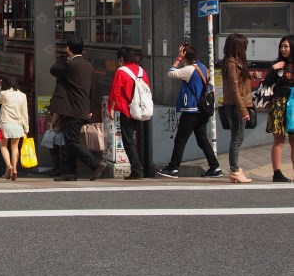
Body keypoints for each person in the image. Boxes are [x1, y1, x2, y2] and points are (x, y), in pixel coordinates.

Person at [158, 44, 222, 179]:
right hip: (203, 110)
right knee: (202, 139)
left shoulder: (189, 70)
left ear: (184, 55)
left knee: (180, 140)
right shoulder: (203, 67)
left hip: (191, 110)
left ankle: (173, 168)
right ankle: (215, 167)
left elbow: (170, 72)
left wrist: (178, 58)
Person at [50, 35, 106, 182]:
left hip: (72, 108)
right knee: (71, 140)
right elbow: (92, 89)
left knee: (71, 140)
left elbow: (53, 70)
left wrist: (63, 58)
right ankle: (70, 172)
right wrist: (90, 107)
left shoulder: (69, 65)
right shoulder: (88, 65)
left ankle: (95, 164)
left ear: (68, 49)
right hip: (83, 108)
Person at [108, 46, 149, 179]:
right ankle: (139, 168)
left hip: (127, 110)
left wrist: (111, 109)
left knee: (128, 141)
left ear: (122, 58)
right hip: (141, 109)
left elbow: (115, 92)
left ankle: (137, 170)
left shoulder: (121, 71)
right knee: (135, 140)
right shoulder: (141, 71)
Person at [221, 33, 253, 184]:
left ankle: (235, 170)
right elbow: (234, 90)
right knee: (237, 139)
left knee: (236, 138)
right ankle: (235, 170)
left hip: (235, 106)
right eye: (244, 45)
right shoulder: (233, 64)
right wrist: (243, 110)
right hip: (236, 106)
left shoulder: (233, 62)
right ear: (238, 47)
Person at [263, 35, 294, 182]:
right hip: (279, 103)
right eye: (282, 46)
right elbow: (267, 83)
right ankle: (277, 173)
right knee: (279, 140)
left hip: (293, 104)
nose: (283, 49)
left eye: (286, 46)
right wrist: (273, 69)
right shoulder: (278, 64)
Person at [0, 77, 29, 181]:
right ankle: (14, 169)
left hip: (5, 124)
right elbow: (25, 113)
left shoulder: (5, 94)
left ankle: (8, 165)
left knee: (3, 146)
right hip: (18, 125)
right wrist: (26, 128)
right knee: (15, 148)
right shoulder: (23, 96)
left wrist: (0, 87)